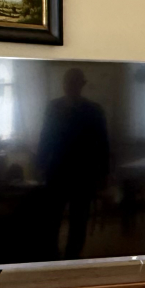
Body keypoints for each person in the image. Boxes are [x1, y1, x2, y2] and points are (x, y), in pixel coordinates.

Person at [37, 68, 110, 259]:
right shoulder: (53, 107)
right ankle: (51, 252)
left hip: (83, 171)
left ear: (81, 84)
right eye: (68, 82)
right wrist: (40, 165)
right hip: (57, 169)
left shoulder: (94, 110)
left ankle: (73, 255)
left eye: (74, 82)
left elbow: (102, 142)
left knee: (79, 217)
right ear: (64, 84)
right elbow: (45, 137)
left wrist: (103, 173)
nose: (70, 86)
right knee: (52, 216)